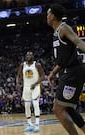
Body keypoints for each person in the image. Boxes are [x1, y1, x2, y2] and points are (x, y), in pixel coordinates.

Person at [47, 4, 85, 135]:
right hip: (68, 72)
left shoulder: (64, 28)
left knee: (58, 109)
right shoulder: (56, 31)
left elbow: (78, 41)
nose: (47, 16)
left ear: (52, 16)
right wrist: (52, 73)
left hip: (73, 72)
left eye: (48, 14)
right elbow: (63, 60)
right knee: (68, 109)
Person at [16, 51, 45, 132]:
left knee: (35, 104)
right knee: (27, 106)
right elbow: (18, 75)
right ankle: (29, 124)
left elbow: (43, 76)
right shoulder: (22, 65)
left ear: (33, 56)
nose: (28, 56)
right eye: (27, 55)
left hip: (35, 87)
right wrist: (18, 83)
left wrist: (35, 84)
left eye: (30, 55)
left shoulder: (37, 65)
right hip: (26, 87)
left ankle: (37, 124)